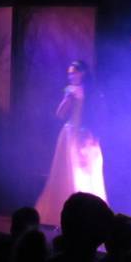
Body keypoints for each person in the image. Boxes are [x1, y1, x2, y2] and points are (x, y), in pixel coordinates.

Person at [34, 60, 107, 226]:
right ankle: (72, 213)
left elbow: (99, 115)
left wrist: (93, 133)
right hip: (74, 135)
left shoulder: (90, 92)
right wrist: (68, 99)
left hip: (85, 136)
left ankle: (90, 213)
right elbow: (60, 114)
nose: (71, 76)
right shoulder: (73, 91)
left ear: (83, 73)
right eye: (69, 73)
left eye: (74, 72)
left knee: (88, 173)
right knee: (69, 172)